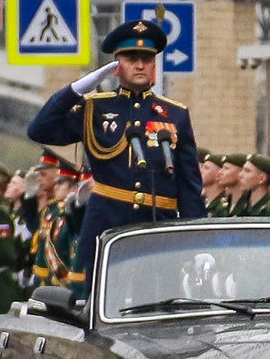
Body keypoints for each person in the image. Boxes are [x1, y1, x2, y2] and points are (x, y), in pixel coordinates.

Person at [25, 18, 203, 298]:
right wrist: (76, 90)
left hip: (158, 227)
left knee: (158, 312)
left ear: (155, 65)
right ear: (118, 65)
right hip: (105, 224)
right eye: (132, 59)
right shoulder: (95, 108)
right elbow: (39, 129)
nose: (140, 65)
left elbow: (190, 186)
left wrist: (198, 244)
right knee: (97, 310)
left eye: (146, 59)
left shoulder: (175, 114)